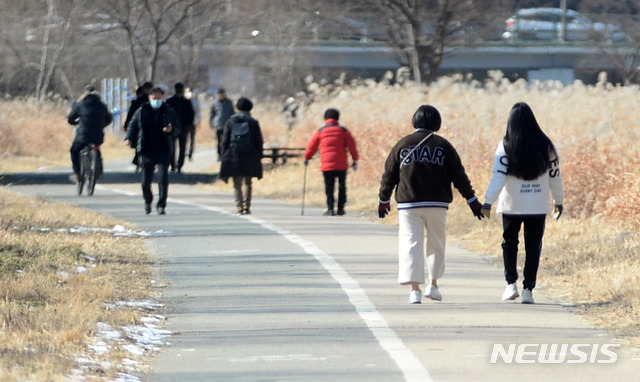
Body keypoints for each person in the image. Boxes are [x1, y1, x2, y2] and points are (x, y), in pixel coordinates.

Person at [378, 105, 484, 304]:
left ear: (415, 120)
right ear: (437, 122)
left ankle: (414, 290)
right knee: (436, 242)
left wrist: (383, 200)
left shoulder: (403, 144)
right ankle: (433, 285)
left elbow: (389, 175)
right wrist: (472, 200)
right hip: (437, 202)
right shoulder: (444, 146)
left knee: (411, 243)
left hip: (408, 204)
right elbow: (459, 176)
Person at [481, 102, 564, 304]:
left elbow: (498, 177)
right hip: (538, 205)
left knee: (509, 243)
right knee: (533, 246)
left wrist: (488, 201)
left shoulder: (505, 145)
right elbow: (555, 176)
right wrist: (559, 201)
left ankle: (511, 285)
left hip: (512, 205)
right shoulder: (546, 145)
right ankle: (528, 290)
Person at [124, 87, 181, 215]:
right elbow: (133, 125)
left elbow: (178, 127)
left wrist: (171, 130)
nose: (156, 100)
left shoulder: (168, 110)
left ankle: (161, 205)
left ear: (162, 98)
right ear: (149, 98)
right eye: (154, 98)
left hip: (163, 150)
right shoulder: (142, 110)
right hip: (146, 150)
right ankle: (148, 201)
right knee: (145, 181)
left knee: (163, 179)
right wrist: (128, 138)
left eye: (159, 98)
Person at [304, 108, 359, 216]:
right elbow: (352, 146)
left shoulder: (321, 131)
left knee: (329, 187)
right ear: (338, 118)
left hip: (326, 165)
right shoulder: (343, 131)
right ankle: (340, 209)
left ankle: (330, 209)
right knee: (342, 186)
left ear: (325, 118)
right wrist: (355, 159)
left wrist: (307, 158)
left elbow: (312, 146)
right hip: (341, 164)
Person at [219, 97, 264, 215]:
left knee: (237, 182)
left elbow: (225, 141)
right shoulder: (253, 122)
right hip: (250, 155)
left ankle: (239, 206)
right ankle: (247, 206)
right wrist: (259, 156)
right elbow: (259, 141)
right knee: (248, 182)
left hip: (234, 154)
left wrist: (223, 156)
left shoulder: (230, 121)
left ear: (238, 108)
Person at [67, 85, 112, 182]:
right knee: (96, 146)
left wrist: (75, 123)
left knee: (74, 150)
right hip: (98, 134)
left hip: (83, 134)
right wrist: (102, 125)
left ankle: (77, 172)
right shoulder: (102, 106)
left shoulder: (80, 105)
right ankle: (98, 164)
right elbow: (109, 119)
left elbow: (70, 118)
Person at [124, 81, 153, 170]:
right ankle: (139, 160)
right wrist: (127, 125)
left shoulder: (151, 100)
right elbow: (132, 114)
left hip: (149, 126)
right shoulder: (139, 101)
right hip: (139, 125)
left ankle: (140, 161)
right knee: (140, 143)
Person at [166, 82, 195, 173]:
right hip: (172, 127)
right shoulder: (170, 101)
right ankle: (173, 165)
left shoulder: (186, 102)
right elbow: (166, 114)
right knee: (171, 147)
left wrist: (189, 124)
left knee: (183, 147)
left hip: (183, 127)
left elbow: (191, 114)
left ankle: (180, 165)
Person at [209, 88, 234, 161]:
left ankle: (226, 155)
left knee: (226, 141)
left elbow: (232, 113)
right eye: (220, 94)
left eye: (222, 94)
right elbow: (212, 114)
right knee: (219, 142)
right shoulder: (215, 103)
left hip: (227, 125)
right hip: (218, 125)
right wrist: (211, 123)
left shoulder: (229, 102)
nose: (221, 96)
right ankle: (219, 155)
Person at [185, 87, 200, 160]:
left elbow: (197, 112)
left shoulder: (195, 101)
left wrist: (198, 121)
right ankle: (185, 152)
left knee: (192, 139)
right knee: (185, 139)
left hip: (193, 123)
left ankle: (190, 153)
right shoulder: (183, 101)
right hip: (184, 123)